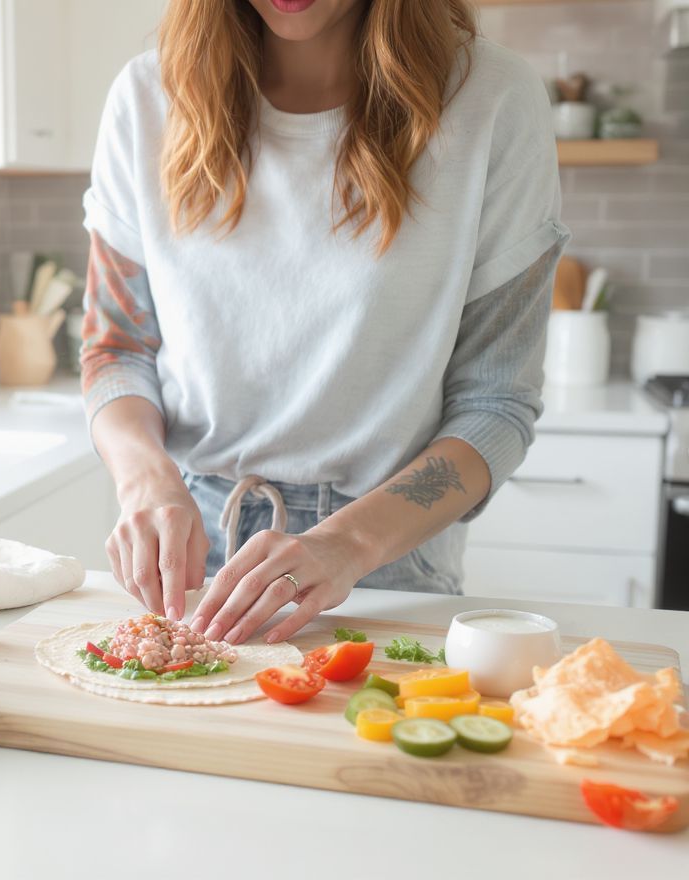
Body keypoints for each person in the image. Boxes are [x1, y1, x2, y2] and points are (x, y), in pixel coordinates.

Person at [79, 0, 569, 645]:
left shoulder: (492, 98)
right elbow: (116, 350)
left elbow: (496, 405)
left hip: (387, 557)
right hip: (190, 549)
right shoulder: (147, 97)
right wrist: (147, 484)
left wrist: (347, 542)